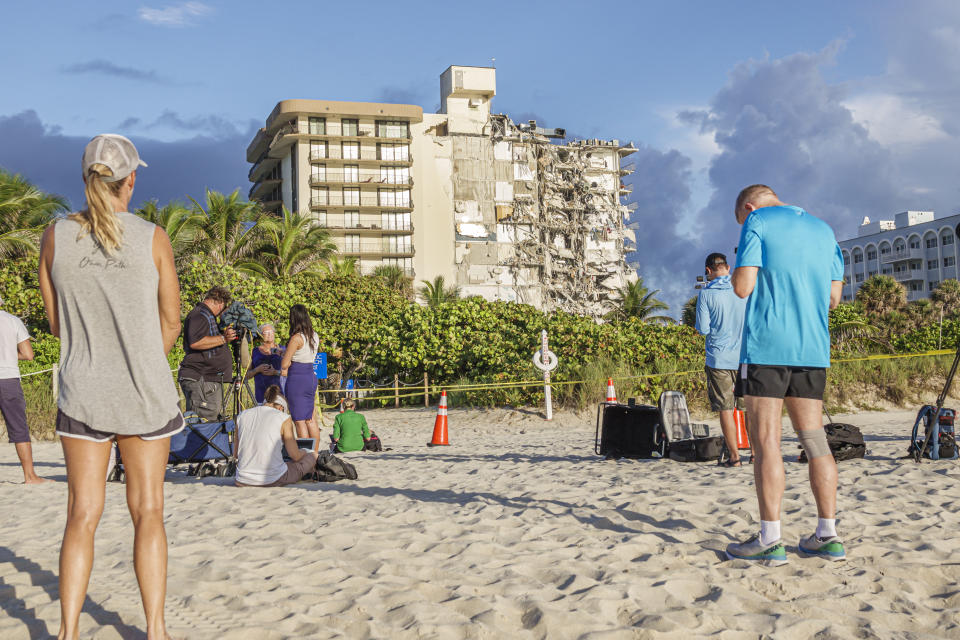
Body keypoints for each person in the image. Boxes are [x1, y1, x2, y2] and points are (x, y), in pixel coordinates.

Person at [37, 133, 183, 639]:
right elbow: (171, 322)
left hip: (83, 390)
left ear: (87, 179)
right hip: (145, 391)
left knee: (81, 514)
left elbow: (58, 326)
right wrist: (138, 360)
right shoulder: (153, 236)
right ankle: (157, 630)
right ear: (131, 179)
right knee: (148, 511)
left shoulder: (54, 237)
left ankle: (68, 631)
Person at [725, 184, 845, 567]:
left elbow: (743, 288)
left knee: (766, 444)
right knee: (815, 442)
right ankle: (827, 535)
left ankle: (770, 539)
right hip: (812, 348)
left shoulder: (758, 221)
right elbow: (833, 298)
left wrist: (739, 269)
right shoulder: (824, 229)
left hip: (768, 347)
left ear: (747, 207)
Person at [695, 252, 748, 467]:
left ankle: (735, 457)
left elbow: (703, 328)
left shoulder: (706, 293)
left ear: (708, 271)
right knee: (749, 408)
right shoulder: (742, 287)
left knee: (725, 408)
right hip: (745, 356)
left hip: (719, 359)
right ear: (727, 267)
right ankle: (756, 454)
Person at [0, 294, 49, 484]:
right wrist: (10, 355)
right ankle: (30, 476)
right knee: (19, 428)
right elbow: (28, 355)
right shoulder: (13, 321)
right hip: (9, 380)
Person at [234, 385, 318, 487]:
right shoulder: (283, 418)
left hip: (242, 479)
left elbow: (236, 454)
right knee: (313, 455)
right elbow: (295, 456)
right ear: (280, 407)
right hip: (272, 479)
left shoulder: (242, 415)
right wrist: (305, 451)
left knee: (285, 464)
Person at [178, 286, 235, 420]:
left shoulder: (207, 315)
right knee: (203, 423)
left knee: (209, 422)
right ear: (220, 302)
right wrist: (223, 338)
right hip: (201, 378)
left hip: (207, 379)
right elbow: (196, 342)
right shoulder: (199, 314)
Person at [279, 304, 320, 449]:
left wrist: (283, 355)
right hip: (310, 375)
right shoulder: (314, 335)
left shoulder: (296, 338)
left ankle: (305, 454)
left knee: (299, 420)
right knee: (310, 418)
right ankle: (314, 453)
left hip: (297, 378)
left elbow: (284, 364)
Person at [246, 322, 284, 404]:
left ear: (274, 333)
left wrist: (275, 372)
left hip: (280, 395)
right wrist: (257, 370)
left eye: (271, 332)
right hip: (261, 395)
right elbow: (247, 375)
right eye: (266, 333)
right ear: (260, 335)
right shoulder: (254, 352)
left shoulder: (283, 350)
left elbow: (291, 371)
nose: (269, 334)